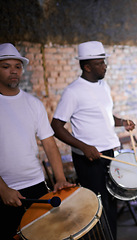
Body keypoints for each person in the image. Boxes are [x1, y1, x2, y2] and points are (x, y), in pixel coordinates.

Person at [51, 41, 135, 239]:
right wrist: (84, 147)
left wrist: (121, 121)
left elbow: (104, 115)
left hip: (110, 153)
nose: (105, 66)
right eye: (99, 63)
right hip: (89, 158)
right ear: (87, 66)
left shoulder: (103, 85)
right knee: (97, 208)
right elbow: (56, 126)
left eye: (104, 62)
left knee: (112, 203)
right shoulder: (73, 92)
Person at [0, 43, 75, 239]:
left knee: (44, 235)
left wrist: (59, 178)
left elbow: (49, 144)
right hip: (5, 189)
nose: (13, 71)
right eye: (6, 66)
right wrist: (3, 189)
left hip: (36, 185)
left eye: (17, 66)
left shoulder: (34, 104)